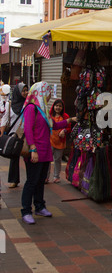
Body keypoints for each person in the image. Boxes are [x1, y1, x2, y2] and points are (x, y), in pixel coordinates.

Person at [21, 81, 77, 225]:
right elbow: (27, 129)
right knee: (31, 182)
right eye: (47, 93)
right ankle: (26, 211)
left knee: (40, 181)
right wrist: (32, 149)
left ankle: (40, 206)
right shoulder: (31, 108)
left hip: (45, 151)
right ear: (40, 92)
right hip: (35, 151)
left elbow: (55, 125)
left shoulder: (43, 110)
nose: (49, 96)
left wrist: (70, 120)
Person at [1, 82, 28, 188]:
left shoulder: (28, 104)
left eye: (27, 90)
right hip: (14, 134)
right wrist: (2, 131)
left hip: (25, 134)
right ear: (18, 92)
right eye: (23, 90)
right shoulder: (9, 104)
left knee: (27, 155)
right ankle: (14, 180)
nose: (26, 92)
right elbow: (5, 118)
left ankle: (30, 179)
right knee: (14, 157)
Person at [46, 98, 71, 183]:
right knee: (48, 160)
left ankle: (56, 176)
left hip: (60, 142)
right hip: (50, 141)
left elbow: (68, 127)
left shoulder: (66, 116)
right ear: (53, 106)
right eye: (56, 106)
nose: (58, 108)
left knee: (58, 160)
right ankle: (46, 177)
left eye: (60, 106)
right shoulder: (49, 116)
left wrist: (64, 131)